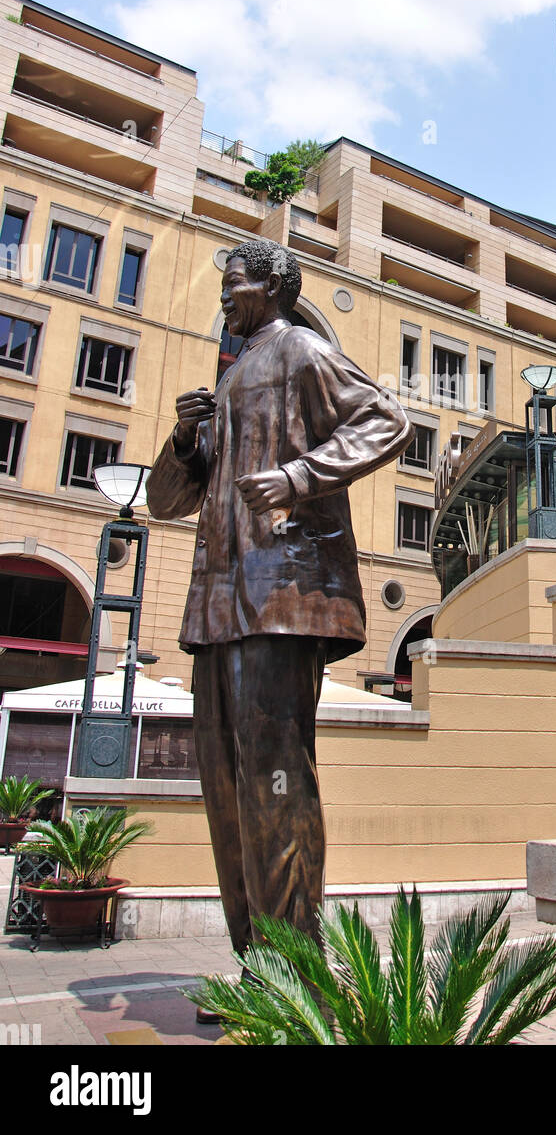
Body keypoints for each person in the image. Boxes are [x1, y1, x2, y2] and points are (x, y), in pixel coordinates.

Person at [146, 239, 412, 958]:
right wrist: (185, 439)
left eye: (234, 283)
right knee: (226, 789)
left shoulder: (301, 349)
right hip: (219, 606)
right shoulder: (230, 377)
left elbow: (386, 420)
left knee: (274, 782)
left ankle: (296, 972)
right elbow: (166, 502)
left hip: (283, 596)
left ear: (270, 287)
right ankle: (257, 971)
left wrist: (297, 477)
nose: (223, 295)